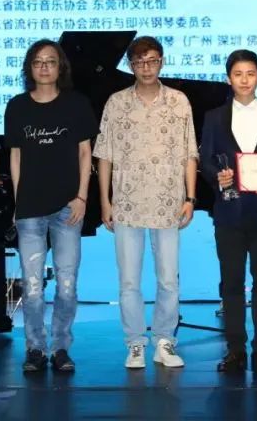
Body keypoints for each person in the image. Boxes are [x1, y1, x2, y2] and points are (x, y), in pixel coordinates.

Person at [94, 36, 199, 369]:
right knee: (129, 281)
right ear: (130, 66)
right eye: (139, 62)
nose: (146, 68)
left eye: (152, 60)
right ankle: (135, 343)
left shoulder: (179, 101)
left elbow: (189, 153)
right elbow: (105, 156)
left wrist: (190, 197)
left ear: (162, 62)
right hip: (127, 203)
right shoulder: (116, 103)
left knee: (168, 279)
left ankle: (165, 341)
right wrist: (105, 202)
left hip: (168, 202)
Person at [4, 40, 97, 374]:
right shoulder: (17, 106)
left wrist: (82, 197)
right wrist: (18, 203)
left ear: (61, 67)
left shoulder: (77, 104)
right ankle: (34, 348)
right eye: (38, 62)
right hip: (30, 208)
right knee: (31, 288)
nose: (44, 67)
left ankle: (60, 347)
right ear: (29, 68)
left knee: (67, 286)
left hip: (68, 208)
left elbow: (85, 153)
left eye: (51, 61)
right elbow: (15, 156)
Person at [200, 49, 257, 374]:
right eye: (238, 74)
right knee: (231, 283)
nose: (244, 80)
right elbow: (206, 159)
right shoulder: (214, 116)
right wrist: (217, 176)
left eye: (250, 74)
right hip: (229, 211)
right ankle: (235, 349)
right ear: (229, 78)